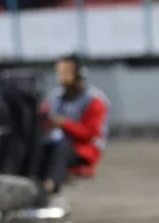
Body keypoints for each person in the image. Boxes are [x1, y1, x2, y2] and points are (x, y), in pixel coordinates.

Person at [40, 55, 110, 190]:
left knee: (61, 146)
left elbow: (90, 134)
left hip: (83, 149)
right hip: (56, 143)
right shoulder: (54, 97)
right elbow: (42, 116)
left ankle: (51, 184)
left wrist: (64, 124)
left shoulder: (93, 100)